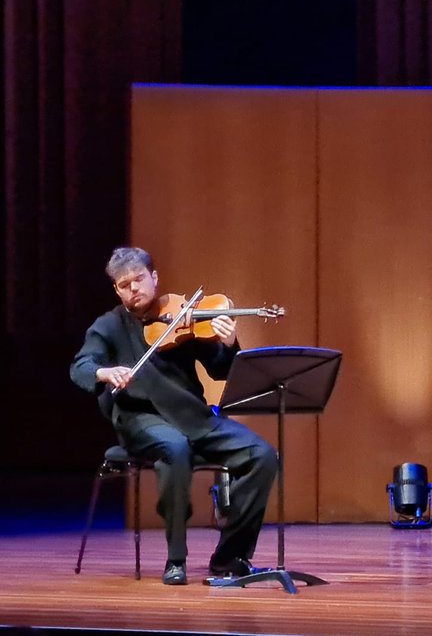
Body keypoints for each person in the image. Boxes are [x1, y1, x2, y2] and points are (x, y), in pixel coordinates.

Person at [70, 247, 278, 586]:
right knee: (175, 448)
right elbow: (80, 368)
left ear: (154, 278)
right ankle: (175, 560)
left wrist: (229, 343)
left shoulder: (182, 316)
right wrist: (105, 373)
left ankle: (229, 558)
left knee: (263, 456)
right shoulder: (108, 326)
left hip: (193, 417)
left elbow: (220, 370)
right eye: (124, 285)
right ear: (117, 291)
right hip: (141, 419)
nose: (133, 288)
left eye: (139, 279)